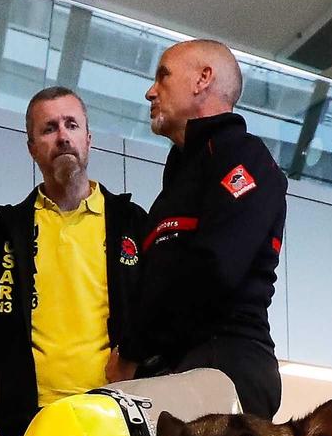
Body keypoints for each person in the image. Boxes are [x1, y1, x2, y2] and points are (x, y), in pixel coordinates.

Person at [0, 87, 149, 436]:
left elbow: (154, 316)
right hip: (29, 424)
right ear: (32, 148)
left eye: (71, 125)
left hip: (117, 416)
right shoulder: (1, 232)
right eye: (48, 129)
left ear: (88, 139)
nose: (62, 137)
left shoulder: (133, 222)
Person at [111, 39, 286, 416]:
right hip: (175, 365)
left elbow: (214, 271)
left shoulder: (244, 157)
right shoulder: (180, 177)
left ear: (202, 79)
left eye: (163, 75)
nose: (150, 91)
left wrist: (133, 351)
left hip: (228, 362)